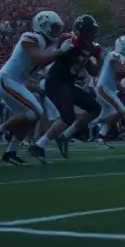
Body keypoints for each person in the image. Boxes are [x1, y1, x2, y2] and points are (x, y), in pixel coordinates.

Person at [0, 10, 66, 165]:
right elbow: (39, 58)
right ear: (43, 26)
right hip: (6, 80)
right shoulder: (30, 37)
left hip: (17, 82)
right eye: (54, 28)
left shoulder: (47, 45)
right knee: (37, 111)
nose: (57, 32)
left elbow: (44, 62)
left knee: (29, 117)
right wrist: (61, 51)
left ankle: (11, 151)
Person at [40, 14, 105, 158]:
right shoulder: (71, 41)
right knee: (67, 115)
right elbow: (66, 44)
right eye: (90, 31)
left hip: (68, 83)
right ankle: (39, 145)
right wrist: (87, 49)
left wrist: (100, 58)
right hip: (55, 81)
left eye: (94, 31)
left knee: (95, 108)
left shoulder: (87, 47)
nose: (94, 34)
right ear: (82, 31)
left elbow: (93, 72)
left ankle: (66, 135)